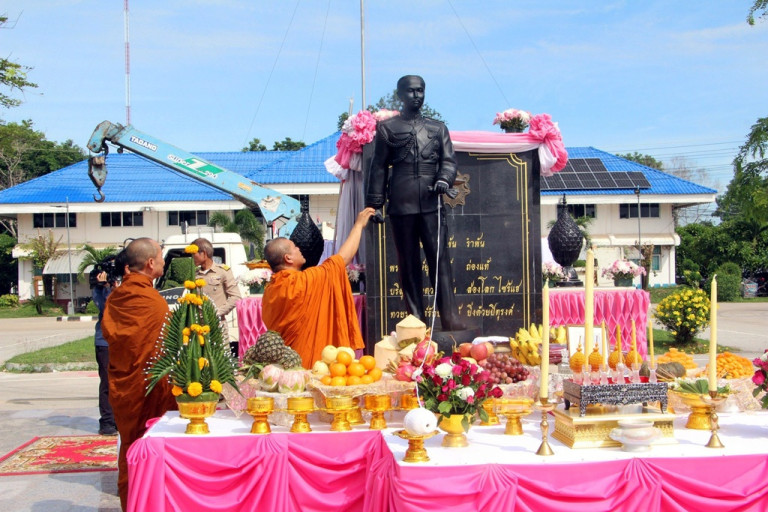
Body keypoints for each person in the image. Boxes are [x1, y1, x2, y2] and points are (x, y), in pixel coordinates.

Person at [366, 74, 465, 331]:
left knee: (439, 261)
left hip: (432, 203)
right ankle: (416, 320)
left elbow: (449, 161)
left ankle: (449, 317)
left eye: (420, 90)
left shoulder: (438, 128)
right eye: (410, 91)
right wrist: (375, 204)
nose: (416, 95)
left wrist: (443, 178)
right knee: (408, 264)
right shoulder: (387, 129)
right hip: (401, 203)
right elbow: (378, 168)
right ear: (400, 95)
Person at [102, 238, 176, 511]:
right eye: (161, 256)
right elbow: (165, 349)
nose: (163, 261)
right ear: (150, 263)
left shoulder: (116, 298)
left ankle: (132, 503)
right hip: (148, 388)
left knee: (130, 446)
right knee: (150, 445)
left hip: (125, 386)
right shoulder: (152, 302)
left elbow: (111, 334)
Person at [262, 207, 375, 368]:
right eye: (294, 247)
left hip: (285, 364)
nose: (299, 248)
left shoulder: (270, 289)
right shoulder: (302, 281)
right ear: (288, 258)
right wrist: (358, 226)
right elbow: (342, 259)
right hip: (309, 363)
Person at [91, 250, 128, 437]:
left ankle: (123, 419)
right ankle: (107, 422)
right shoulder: (100, 287)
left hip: (124, 339)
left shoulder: (127, 282)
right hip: (105, 341)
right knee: (107, 382)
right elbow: (107, 308)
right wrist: (106, 287)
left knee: (125, 382)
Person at [191, 237, 242, 343]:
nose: (192, 257)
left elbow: (236, 297)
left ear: (204, 253)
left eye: (194, 254)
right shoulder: (194, 274)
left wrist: (218, 312)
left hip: (217, 324)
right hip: (198, 325)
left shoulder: (222, 271)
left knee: (221, 352)